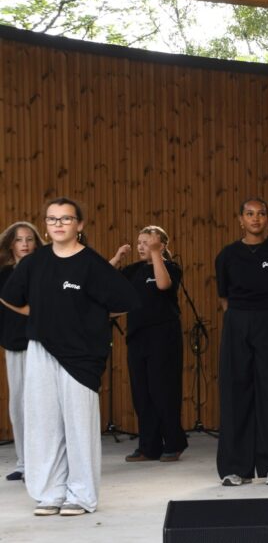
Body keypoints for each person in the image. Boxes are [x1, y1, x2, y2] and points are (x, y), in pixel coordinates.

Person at [0, 198, 138, 516]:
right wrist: (39, 315)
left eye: (65, 219)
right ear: (46, 227)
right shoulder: (35, 263)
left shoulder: (92, 263)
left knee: (78, 427)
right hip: (41, 351)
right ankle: (51, 492)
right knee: (44, 424)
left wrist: (89, 318)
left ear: (79, 224)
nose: (59, 224)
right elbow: (9, 297)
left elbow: (126, 299)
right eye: (52, 219)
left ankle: (81, 494)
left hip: (81, 356)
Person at [214, 197, 268, 486]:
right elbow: (224, 297)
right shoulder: (227, 255)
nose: (256, 219)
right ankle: (236, 467)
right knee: (236, 391)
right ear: (240, 219)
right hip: (237, 322)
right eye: (249, 214)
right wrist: (242, 319)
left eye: (261, 213)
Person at [109, 226, 188, 463]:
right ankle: (149, 446)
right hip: (137, 336)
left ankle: (174, 443)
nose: (142, 246)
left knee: (163, 390)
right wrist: (117, 258)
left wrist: (156, 255)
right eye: (140, 242)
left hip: (164, 337)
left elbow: (163, 285)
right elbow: (102, 278)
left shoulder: (170, 267)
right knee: (142, 393)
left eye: (149, 242)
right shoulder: (132, 270)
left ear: (162, 245)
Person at [0, 221, 43, 482]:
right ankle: (24, 463)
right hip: (13, 346)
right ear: (11, 244)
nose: (25, 244)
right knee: (18, 406)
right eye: (19, 239)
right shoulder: (3, 274)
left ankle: (41, 464)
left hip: (40, 345)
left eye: (29, 239)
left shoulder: (43, 270)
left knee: (40, 405)